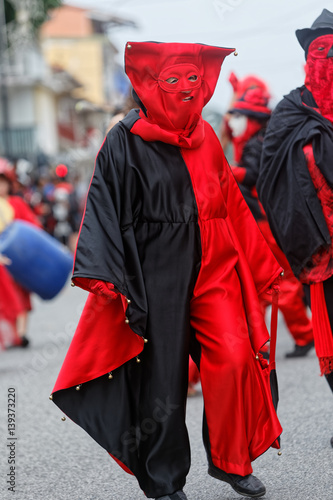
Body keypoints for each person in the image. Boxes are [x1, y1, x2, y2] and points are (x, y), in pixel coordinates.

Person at [51, 42, 283, 500]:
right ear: (150, 85)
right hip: (157, 269)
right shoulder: (124, 139)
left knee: (235, 355)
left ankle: (231, 461)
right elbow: (103, 203)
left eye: (192, 80)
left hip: (213, 267)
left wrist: (261, 264)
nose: (183, 90)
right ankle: (163, 480)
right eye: (172, 80)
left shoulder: (208, 137)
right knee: (163, 375)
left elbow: (232, 206)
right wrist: (105, 271)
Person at [258, 9, 333, 447]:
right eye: (320, 51)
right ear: (308, 58)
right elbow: (271, 176)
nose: (328, 60)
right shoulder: (291, 110)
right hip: (318, 247)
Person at [227, 78, 314, 358]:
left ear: (252, 119)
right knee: (261, 283)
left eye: (239, 116)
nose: (233, 122)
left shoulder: (259, 142)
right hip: (260, 221)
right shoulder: (256, 140)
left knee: (280, 280)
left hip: (265, 222)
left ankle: (303, 334)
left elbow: (252, 175)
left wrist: (223, 171)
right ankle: (261, 341)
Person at [0, 161, 42, 347]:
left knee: (21, 295)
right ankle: (11, 334)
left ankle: (22, 333)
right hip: (1, 262)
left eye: (2, 182)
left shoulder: (17, 203)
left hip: (18, 258)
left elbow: (32, 227)